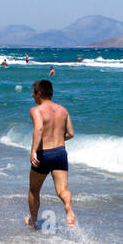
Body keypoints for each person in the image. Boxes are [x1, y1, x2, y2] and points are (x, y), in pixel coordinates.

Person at [26, 78, 75, 228]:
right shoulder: (63, 110)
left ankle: (33, 221)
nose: (33, 96)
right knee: (62, 190)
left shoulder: (36, 110)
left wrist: (33, 150)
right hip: (60, 152)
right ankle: (68, 206)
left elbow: (39, 129)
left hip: (43, 153)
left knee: (34, 190)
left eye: (34, 93)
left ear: (39, 93)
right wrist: (58, 140)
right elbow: (71, 134)